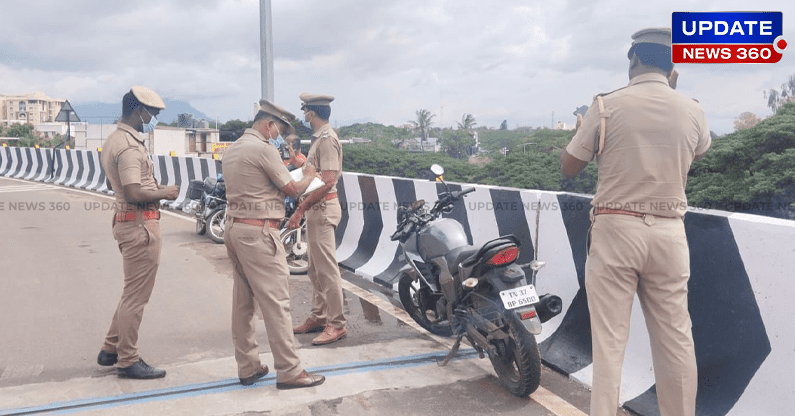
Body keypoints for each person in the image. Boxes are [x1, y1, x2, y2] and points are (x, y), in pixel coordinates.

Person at [559, 28, 710, 416]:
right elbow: (694, 155)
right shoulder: (692, 109)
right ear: (673, 66)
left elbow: (570, 167)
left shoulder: (606, 106)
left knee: (609, 343)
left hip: (616, 230)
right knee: (676, 339)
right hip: (669, 233)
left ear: (633, 60)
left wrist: (581, 133)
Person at [222, 99, 325, 389]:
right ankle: (290, 371)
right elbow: (291, 189)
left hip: (235, 228)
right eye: (277, 130)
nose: (277, 135)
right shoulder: (263, 148)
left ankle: (248, 366)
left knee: (243, 302)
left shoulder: (234, 149)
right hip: (259, 233)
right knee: (277, 302)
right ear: (268, 125)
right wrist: (309, 175)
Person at [97, 86, 180, 379]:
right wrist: (165, 193)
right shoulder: (130, 146)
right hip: (140, 224)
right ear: (139, 111)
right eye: (153, 114)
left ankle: (111, 348)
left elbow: (113, 185)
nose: (154, 119)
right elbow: (133, 191)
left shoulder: (112, 140)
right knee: (136, 297)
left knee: (131, 291)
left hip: (126, 221)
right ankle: (127, 360)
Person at [288, 93, 346, 345]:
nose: (304, 116)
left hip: (322, 208)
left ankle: (337, 324)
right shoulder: (317, 140)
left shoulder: (326, 140)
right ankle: (319, 316)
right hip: (316, 208)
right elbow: (317, 171)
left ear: (312, 113)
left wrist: (300, 210)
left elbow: (329, 180)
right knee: (314, 269)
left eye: (305, 112)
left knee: (327, 270)